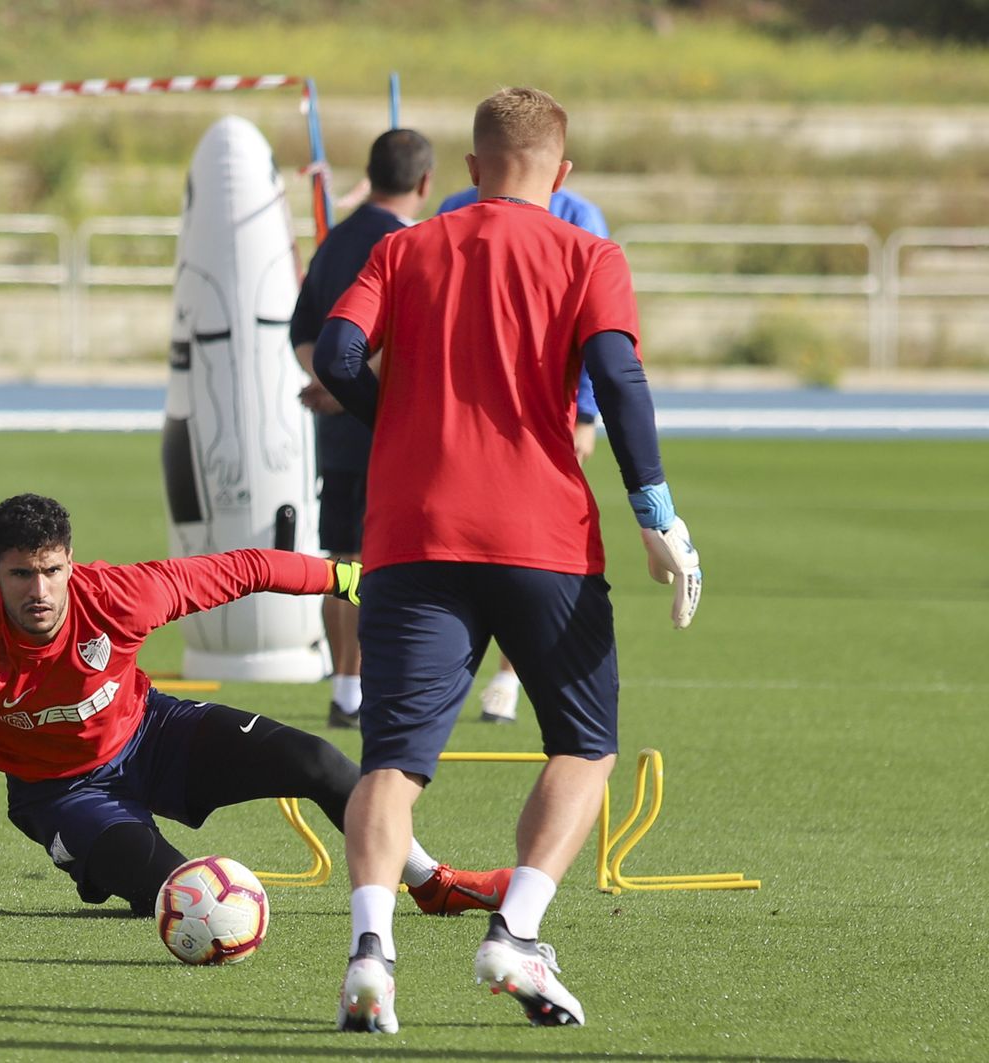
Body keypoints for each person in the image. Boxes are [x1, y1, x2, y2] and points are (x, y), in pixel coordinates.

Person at [313, 87, 702, 1033]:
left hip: (411, 538)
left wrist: (395, 422)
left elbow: (333, 352)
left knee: (393, 763)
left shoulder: (401, 248)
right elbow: (620, 377)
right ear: (562, 176)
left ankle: (372, 952)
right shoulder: (588, 252)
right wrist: (658, 515)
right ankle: (516, 931)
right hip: (544, 540)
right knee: (584, 744)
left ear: (471, 170)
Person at [0, 493, 512, 922]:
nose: (39, 590)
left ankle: (430, 882)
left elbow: (247, 568)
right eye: (20, 575)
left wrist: (348, 580)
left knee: (318, 760)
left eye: (52, 570)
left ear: (70, 563)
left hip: (151, 734)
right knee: (188, 898)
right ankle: (107, 865)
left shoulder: (122, 596)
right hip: (59, 793)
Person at [437, 183, 609, 725]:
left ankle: (509, 676)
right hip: (465, 414)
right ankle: (444, 670)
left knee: (529, 542)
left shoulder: (580, 216)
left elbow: (596, 323)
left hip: (544, 416)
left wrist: (584, 412)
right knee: (456, 541)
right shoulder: (453, 210)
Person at [291, 130, 435, 731]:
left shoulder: (335, 242)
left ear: (371, 174)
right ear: (425, 184)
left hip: (338, 427)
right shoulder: (416, 247)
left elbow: (304, 334)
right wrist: (359, 386)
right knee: (384, 560)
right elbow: (416, 340)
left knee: (340, 556)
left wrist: (329, 385)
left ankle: (346, 686)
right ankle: (374, 686)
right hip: (391, 427)